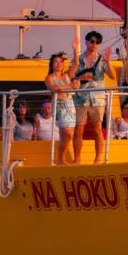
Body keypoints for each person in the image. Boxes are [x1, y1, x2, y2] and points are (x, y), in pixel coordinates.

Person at [72, 31, 115, 164]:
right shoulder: (78, 59)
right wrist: (81, 77)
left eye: (97, 42)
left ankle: (98, 159)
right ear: (86, 42)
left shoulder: (102, 60)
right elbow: (69, 77)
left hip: (97, 98)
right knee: (78, 129)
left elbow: (113, 76)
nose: (95, 44)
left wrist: (108, 62)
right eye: (92, 41)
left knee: (97, 129)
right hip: (81, 98)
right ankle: (77, 159)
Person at [43, 52, 77, 163]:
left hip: (70, 106)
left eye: (61, 61)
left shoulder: (66, 75)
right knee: (67, 133)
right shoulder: (49, 77)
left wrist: (75, 49)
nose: (59, 64)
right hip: (59, 106)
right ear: (52, 64)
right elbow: (52, 88)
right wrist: (69, 86)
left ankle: (60, 159)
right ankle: (61, 158)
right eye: (56, 62)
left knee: (67, 135)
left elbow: (76, 64)